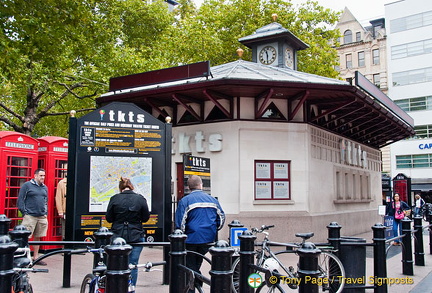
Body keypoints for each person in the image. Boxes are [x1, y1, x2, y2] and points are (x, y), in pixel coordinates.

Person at [175, 175, 225, 290]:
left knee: (191, 265)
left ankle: (195, 284)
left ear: (189, 187)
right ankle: (196, 283)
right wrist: (214, 229)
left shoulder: (185, 201)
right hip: (208, 238)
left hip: (191, 238)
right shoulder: (213, 200)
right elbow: (221, 218)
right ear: (201, 185)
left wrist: (181, 237)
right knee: (197, 263)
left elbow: (180, 223)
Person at [106, 177, 150, 291]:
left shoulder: (114, 199)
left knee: (116, 264)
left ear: (120, 187)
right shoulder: (140, 199)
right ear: (131, 186)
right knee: (133, 264)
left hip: (117, 236)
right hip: (136, 235)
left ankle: (116, 288)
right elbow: (145, 218)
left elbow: (109, 218)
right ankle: (131, 288)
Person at [17, 168, 48, 265]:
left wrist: (45, 212)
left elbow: (45, 200)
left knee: (38, 237)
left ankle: (36, 257)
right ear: (35, 176)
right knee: (26, 236)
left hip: (41, 216)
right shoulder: (27, 185)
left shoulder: (44, 187)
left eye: (44, 175)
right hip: (30, 215)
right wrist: (24, 212)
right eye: (41, 175)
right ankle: (24, 257)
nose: (43, 177)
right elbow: (20, 199)